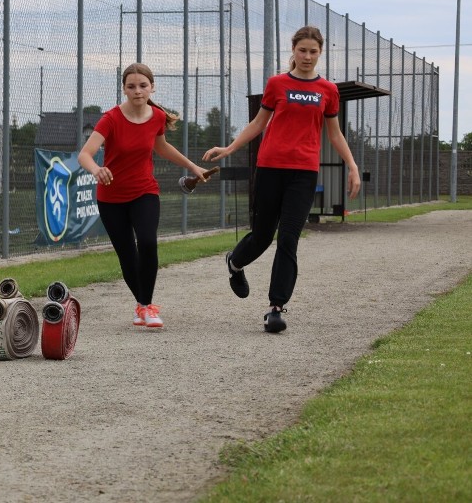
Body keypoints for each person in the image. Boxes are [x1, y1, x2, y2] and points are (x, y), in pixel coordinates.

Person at [202, 25, 361, 333]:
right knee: (263, 236)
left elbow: (334, 132)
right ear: (293, 50)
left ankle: (276, 308)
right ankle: (235, 263)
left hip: (303, 173)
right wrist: (231, 147)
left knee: (288, 239)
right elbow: (258, 124)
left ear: (320, 53)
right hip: (271, 168)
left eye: (313, 51)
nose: (307, 56)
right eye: (302, 50)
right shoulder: (277, 83)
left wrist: (352, 164)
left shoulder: (328, 90)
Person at [78, 63, 210, 329]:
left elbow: (162, 147)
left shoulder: (158, 117)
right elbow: (85, 155)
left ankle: (148, 307)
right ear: (124, 89)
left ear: (152, 87)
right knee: (128, 256)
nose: (137, 91)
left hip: (144, 191)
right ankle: (142, 305)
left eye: (143, 85)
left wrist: (193, 167)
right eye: (131, 86)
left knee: (148, 242)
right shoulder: (111, 118)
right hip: (111, 197)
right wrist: (96, 170)